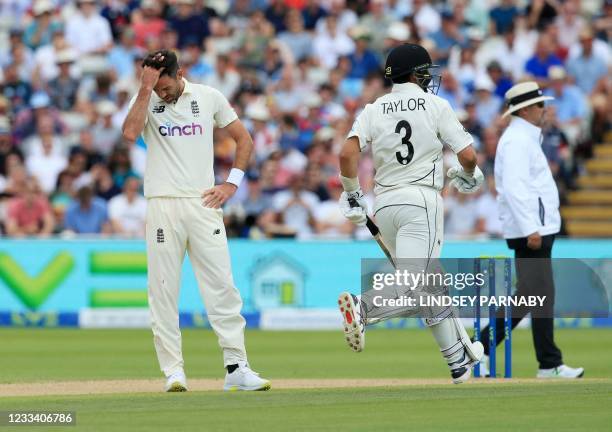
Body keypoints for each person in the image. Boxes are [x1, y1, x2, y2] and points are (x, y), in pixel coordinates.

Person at [121, 50, 270, 392]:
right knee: (162, 291)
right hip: (162, 204)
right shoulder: (145, 99)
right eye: (156, 87)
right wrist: (145, 89)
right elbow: (130, 134)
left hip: (203, 203)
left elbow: (244, 139)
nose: (163, 92)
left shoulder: (208, 96)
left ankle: (237, 368)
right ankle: (174, 372)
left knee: (222, 288)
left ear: (179, 73)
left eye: (165, 85)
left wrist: (232, 183)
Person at [337, 43, 485, 384]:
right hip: (421, 202)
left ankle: (458, 363)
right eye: (426, 73)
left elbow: (347, 155)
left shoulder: (373, 109)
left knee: (431, 284)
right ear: (417, 74)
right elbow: (468, 156)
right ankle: (363, 308)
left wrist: (352, 195)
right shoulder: (435, 104)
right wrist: (469, 174)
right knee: (416, 285)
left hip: (384, 205)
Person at [477, 81, 584, 379]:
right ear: (524, 109)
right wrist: (530, 228)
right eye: (539, 105)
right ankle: (547, 362)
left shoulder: (523, 138)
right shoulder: (516, 141)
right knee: (538, 294)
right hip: (531, 230)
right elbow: (514, 189)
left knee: (531, 295)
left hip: (535, 227)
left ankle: (480, 349)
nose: (544, 109)